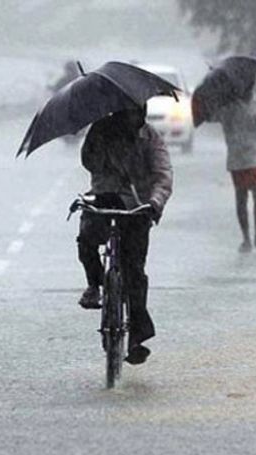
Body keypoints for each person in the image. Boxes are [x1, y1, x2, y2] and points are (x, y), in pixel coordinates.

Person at [77, 105, 173, 365]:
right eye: (126, 113)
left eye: (135, 112)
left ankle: (137, 338)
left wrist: (154, 203)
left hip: (138, 207)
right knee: (86, 239)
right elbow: (88, 161)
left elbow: (163, 175)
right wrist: (102, 142)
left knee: (135, 273)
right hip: (104, 199)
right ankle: (94, 285)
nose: (131, 118)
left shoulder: (150, 138)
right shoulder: (101, 129)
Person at [212, 84, 256, 253]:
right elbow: (215, 118)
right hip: (237, 157)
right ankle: (246, 238)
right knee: (241, 197)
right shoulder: (228, 105)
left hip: (255, 156)